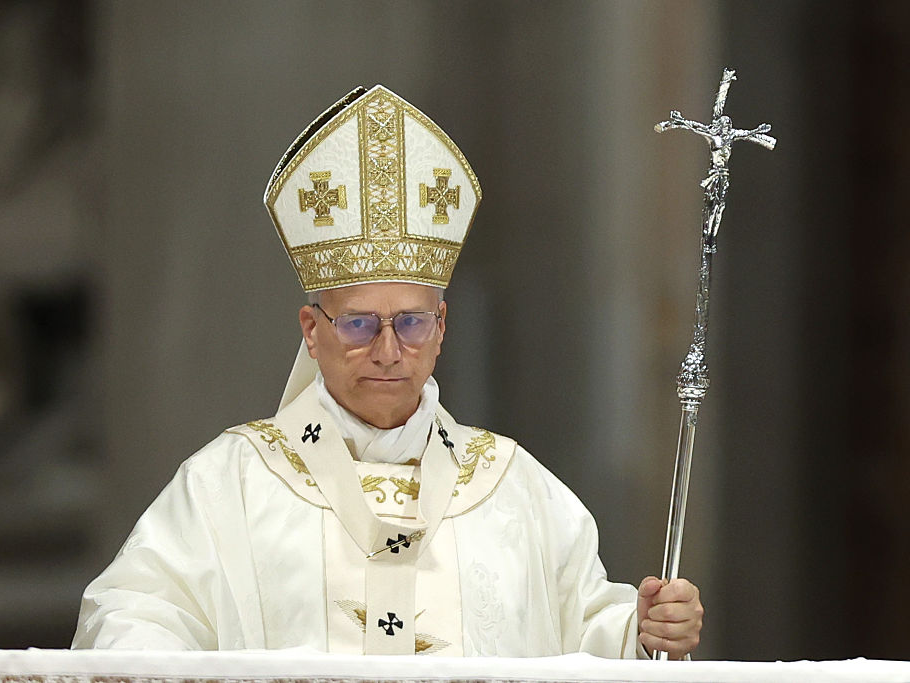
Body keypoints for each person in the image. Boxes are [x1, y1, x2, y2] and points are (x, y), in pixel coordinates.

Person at [72, 85, 703, 658]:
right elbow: (133, 617)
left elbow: (587, 625)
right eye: (357, 324)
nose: (387, 349)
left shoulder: (516, 493)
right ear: (311, 331)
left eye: (411, 321)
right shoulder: (230, 485)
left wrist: (641, 631)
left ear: (442, 329)